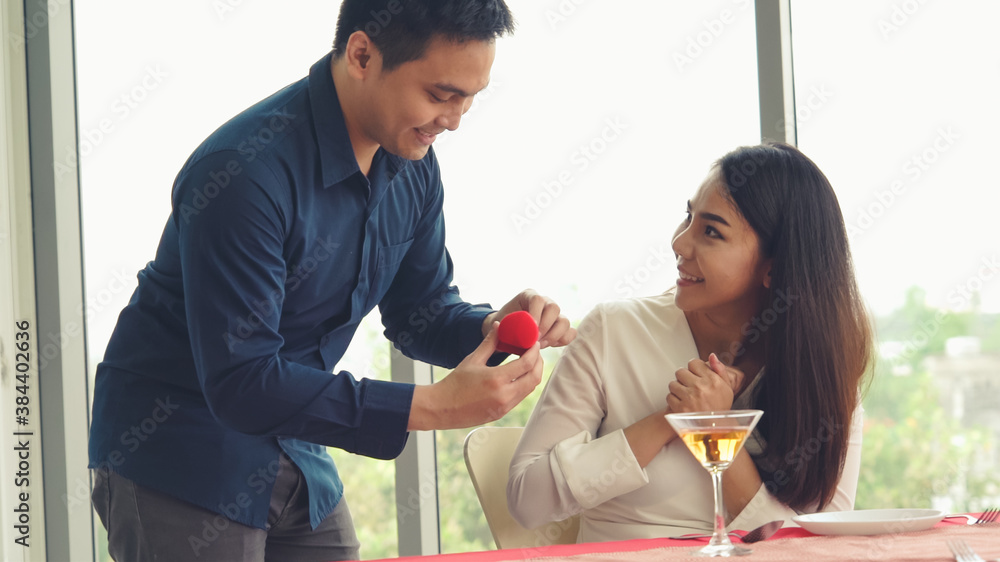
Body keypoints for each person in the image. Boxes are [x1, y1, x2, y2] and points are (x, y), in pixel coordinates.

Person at [88, 1, 576, 560]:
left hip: (295, 442)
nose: (455, 120)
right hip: (181, 448)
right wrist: (435, 406)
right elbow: (242, 380)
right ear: (362, 54)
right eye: (441, 95)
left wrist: (494, 330)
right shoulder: (243, 173)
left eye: (470, 99)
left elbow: (423, 311)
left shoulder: (412, 163)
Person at [507, 141, 873, 542]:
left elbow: (826, 543)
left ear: (775, 267)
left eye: (711, 231)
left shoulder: (823, 368)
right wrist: (668, 421)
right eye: (688, 218)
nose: (679, 243)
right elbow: (528, 501)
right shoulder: (614, 332)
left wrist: (715, 431)